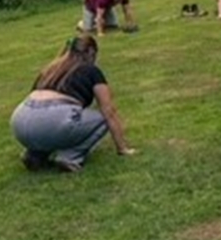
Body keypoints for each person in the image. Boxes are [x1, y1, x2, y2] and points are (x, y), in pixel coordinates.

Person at [10, 35, 135, 172]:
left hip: (19, 121)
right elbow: (109, 111)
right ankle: (70, 157)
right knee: (102, 119)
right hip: (52, 120)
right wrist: (122, 148)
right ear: (91, 52)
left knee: (51, 124)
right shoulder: (91, 70)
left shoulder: (50, 69)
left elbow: (36, 105)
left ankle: (34, 155)